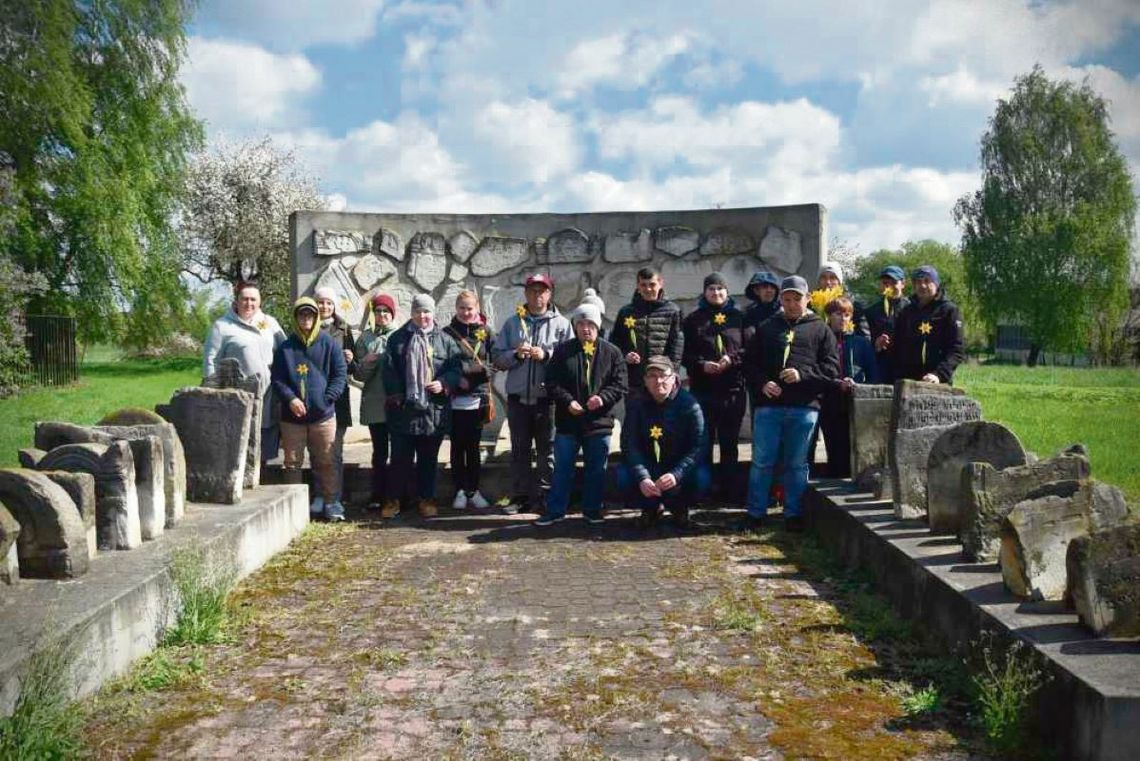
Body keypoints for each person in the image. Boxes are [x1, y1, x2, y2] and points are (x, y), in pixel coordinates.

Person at [741, 276, 839, 532]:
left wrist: (802, 375)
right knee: (762, 461)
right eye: (786, 299)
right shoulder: (767, 327)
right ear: (780, 300)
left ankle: (793, 513)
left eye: (797, 299)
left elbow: (831, 369)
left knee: (796, 463)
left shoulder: (820, 329)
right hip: (769, 406)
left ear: (807, 299)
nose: (792, 304)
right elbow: (749, 364)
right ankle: (755, 512)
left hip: (803, 407)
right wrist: (763, 383)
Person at [537, 302, 627, 526]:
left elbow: (620, 384)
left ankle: (592, 510)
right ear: (575, 326)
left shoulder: (612, 352)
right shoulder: (563, 351)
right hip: (569, 422)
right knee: (562, 469)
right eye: (581, 323)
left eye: (590, 324)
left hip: (599, 422)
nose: (586, 328)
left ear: (597, 326)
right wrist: (568, 402)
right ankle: (555, 511)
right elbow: (551, 382)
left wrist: (603, 398)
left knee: (596, 470)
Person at [490, 273, 573, 514]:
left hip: (547, 400)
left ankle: (546, 496)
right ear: (526, 294)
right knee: (519, 450)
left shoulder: (562, 324)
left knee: (547, 450)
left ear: (550, 294)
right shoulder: (513, 323)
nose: (538, 295)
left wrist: (546, 355)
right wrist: (515, 355)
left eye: (542, 291)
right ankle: (521, 496)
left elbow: (569, 361)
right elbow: (497, 358)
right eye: (533, 291)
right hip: (517, 399)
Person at [383, 294, 463, 518]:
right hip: (404, 411)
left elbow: (456, 369)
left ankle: (427, 499)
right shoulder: (397, 339)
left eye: (427, 311)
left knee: (428, 460)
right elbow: (389, 372)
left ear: (433, 313)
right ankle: (394, 501)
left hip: (433, 411)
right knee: (399, 460)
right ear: (412, 313)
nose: (423, 316)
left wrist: (444, 382)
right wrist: (398, 396)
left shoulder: (445, 340)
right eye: (418, 311)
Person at [270, 297, 348, 521]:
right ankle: (292, 504)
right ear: (296, 318)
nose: (306, 319)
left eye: (310, 315)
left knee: (326, 459)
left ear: (316, 318)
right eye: (302, 315)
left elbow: (339, 374)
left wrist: (327, 399)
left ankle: (331, 501)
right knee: (292, 462)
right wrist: (291, 399)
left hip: (323, 416)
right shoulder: (286, 347)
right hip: (292, 417)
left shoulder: (329, 344)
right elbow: (278, 378)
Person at [619, 356, 709, 529]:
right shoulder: (636, 404)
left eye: (663, 375)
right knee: (623, 475)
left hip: (677, 466)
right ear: (645, 380)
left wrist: (677, 474)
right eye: (652, 376)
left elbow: (699, 446)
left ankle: (680, 508)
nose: (658, 381)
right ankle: (650, 508)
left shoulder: (690, 405)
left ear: (674, 378)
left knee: (702, 477)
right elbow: (629, 444)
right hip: (649, 464)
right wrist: (642, 476)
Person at [202, 281, 286, 463]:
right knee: (240, 441)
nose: (249, 304)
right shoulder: (222, 327)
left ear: (260, 302)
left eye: (253, 299)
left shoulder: (270, 323)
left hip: (269, 394)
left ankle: (264, 475)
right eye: (245, 299)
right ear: (236, 300)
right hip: (238, 395)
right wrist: (211, 393)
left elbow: (286, 352)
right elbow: (211, 361)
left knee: (266, 441)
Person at [681, 272, 746, 501]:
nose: (716, 293)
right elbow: (684, 354)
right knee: (703, 443)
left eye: (720, 289)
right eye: (711, 289)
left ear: (727, 292)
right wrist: (701, 365)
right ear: (704, 292)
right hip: (703, 390)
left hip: (732, 391)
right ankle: (704, 491)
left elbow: (748, 349)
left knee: (729, 443)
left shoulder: (739, 317)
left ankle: (729, 491)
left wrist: (731, 358)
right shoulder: (693, 320)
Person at [443, 289, 495, 511]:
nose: (466, 312)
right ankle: (459, 491)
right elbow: (442, 363)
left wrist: (472, 375)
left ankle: (473, 490)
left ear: (477, 309)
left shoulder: (487, 332)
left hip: (477, 398)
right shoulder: (447, 333)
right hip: (454, 399)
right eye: (462, 308)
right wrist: (456, 381)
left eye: (470, 308)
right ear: (456, 309)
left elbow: (494, 363)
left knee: (473, 447)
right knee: (456, 447)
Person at [817, 297, 879, 478]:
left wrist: (862, 388)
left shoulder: (861, 343)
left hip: (856, 402)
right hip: (830, 402)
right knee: (834, 447)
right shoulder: (821, 342)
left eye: (846, 314)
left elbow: (873, 373)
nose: (842, 318)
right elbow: (817, 371)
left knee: (856, 446)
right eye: (837, 314)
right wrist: (837, 384)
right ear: (828, 316)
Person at [314, 286, 357, 515]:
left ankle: (334, 497)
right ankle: (320, 494)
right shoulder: (307, 326)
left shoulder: (344, 329)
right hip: (315, 395)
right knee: (317, 450)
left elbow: (354, 367)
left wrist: (351, 359)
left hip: (338, 398)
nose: (324, 307)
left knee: (334, 450)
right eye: (321, 302)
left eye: (329, 303)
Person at [354, 292, 398, 515]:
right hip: (375, 403)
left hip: (398, 404)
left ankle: (398, 495)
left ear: (392, 314)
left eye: (386, 311)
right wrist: (367, 362)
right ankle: (378, 495)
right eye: (378, 311)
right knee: (380, 452)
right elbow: (359, 375)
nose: (382, 315)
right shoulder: (364, 339)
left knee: (400, 452)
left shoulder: (400, 336)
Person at [611, 267, 684, 399]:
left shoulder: (673, 311)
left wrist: (672, 374)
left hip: (661, 380)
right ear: (638, 286)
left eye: (652, 284)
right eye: (643, 285)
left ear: (661, 283)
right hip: (634, 380)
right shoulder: (626, 312)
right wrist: (625, 355)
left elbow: (676, 347)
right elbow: (615, 343)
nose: (648, 289)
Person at [890, 265, 966, 384]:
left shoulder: (949, 311)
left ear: (936, 283)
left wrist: (939, 374)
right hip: (908, 381)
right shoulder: (906, 312)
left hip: (937, 381)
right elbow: (897, 347)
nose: (922, 286)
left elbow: (956, 349)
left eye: (927, 281)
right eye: (918, 282)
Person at [863, 265, 909, 384]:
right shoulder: (871, 311)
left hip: (906, 368)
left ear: (903, 284)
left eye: (894, 282)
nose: (889, 286)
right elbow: (866, 341)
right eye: (885, 283)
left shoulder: (912, 309)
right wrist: (876, 344)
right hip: (881, 368)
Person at [816, 263, 870, 338]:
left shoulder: (853, 305)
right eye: (823, 277)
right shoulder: (810, 304)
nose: (828, 282)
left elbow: (864, 336)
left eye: (832, 278)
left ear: (839, 282)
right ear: (818, 282)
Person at [742, 271, 782, 335]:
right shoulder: (748, 314)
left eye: (772, 287)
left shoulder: (783, 311)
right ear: (756, 291)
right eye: (765, 287)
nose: (769, 290)